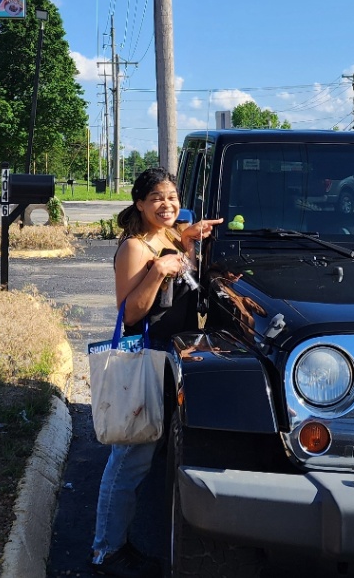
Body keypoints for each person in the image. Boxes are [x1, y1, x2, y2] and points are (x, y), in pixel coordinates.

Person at [91, 167, 222, 577]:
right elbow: (129, 312)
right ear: (140, 204)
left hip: (170, 356)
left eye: (173, 197)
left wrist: (186, 243)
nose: (168, 205)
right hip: (146, 355)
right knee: (130, 456)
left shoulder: (168, 238)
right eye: (158, 199)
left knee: (142, 453)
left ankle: (115, 546)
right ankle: (106, 552)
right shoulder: (135, 247)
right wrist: (156, 270)